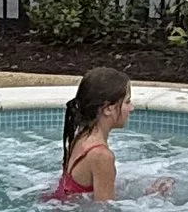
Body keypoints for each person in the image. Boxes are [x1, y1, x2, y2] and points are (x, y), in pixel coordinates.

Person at [47, 66, 162, 203]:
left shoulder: (81, 136)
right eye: (127, 101)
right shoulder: (101, 155)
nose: (132, 108)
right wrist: (152, 198)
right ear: (108, 109)